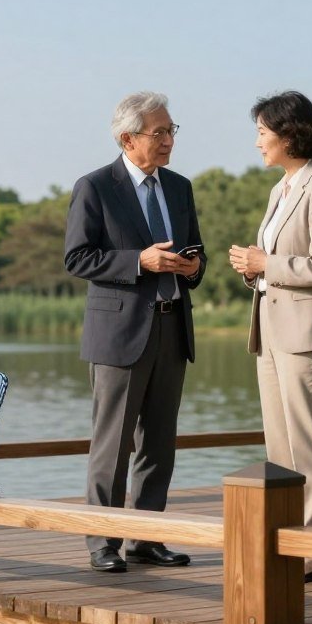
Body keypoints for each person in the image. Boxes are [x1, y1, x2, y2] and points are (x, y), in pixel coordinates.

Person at [64, 91, 207, 572]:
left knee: (159, 443)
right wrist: (138, 261)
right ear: (128, 138)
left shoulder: (181, 187)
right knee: (113, 443)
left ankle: (146, 539)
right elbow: (77, 258)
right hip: (120, 334)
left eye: (172, 131)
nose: (168, 140)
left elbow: (196, 251)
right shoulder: (95, 187)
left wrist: (194, 266)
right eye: (159, 132)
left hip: (172, 327)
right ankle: (102, 543)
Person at [228, 90, 312, 582]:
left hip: (309, 336)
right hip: (272, 335)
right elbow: (275, 266)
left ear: (288, 133)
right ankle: (288, 541)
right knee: (280, 449)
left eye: (262, 132)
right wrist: (251, 270)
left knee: (310, 447)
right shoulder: (281, 189)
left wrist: (266, 264)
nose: (257, 141)